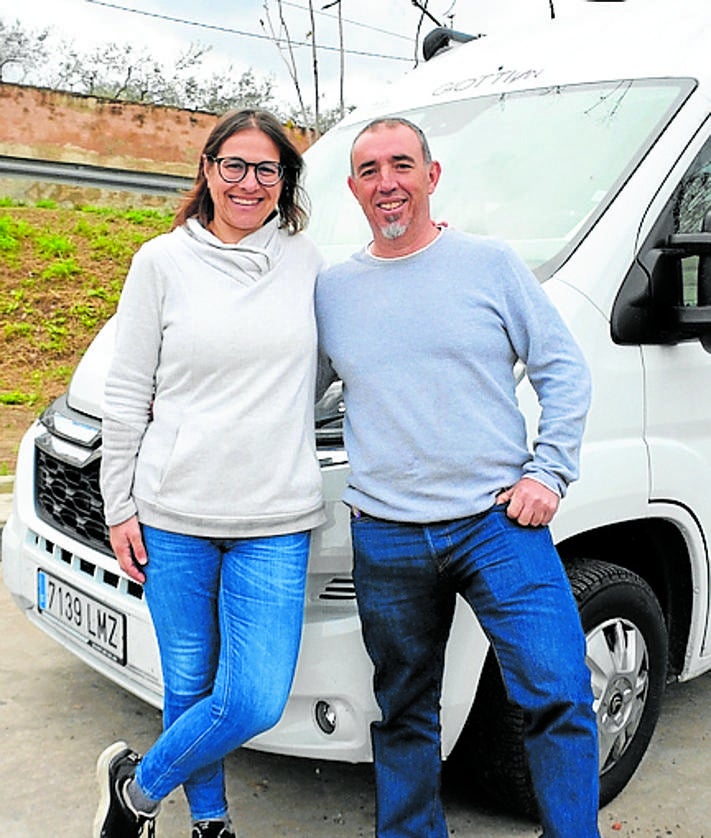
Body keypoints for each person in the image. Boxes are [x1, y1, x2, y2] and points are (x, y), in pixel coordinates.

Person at [315, 117, 601, 838]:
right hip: (386, 533)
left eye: (401, 164)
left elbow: (562, 369)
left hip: (498, 524)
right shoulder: (333, 291)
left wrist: (549, 472)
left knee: (558, 695)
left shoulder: (489, 264)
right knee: (404, 708)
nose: (387, 183)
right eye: (370, 170)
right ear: (353, 188)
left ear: (430, 176)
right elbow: (286, 395)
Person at [94, 109, 325, 838]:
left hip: (275, 518)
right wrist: (119, 505)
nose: (249, 182)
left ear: (284, 181)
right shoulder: (161, 263)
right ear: (207, 170)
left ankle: (135, 789)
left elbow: (327, 368)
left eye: (266, 169)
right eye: (234, 165)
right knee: (188, 685)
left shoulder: (308, 261)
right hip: (174, 514)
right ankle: (210, 821)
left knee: (252, 698)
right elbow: (127, 390)